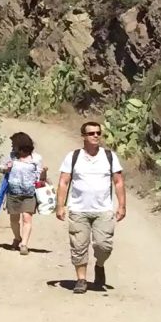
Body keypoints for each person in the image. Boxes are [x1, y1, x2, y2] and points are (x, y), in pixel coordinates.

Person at [55, 120, 126, 294]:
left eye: (98, 133)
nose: (95, 136)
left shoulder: (109, 156)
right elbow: (64, 182)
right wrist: (60, 205)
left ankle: (100, 265)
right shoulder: (73, 157)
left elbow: (118, 182)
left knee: (104, 246)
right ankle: (81, 279)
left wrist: (122, 206)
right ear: (83, 136)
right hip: (79, 209)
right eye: (91, 133)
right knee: (78, 246)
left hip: (103, 210)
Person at [0, 131, 48, 253]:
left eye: (13, 144)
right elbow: (2, 168)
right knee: (14, 220)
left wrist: (44, 173)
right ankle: (17, 237)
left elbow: (40, 177)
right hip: (13, 193)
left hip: (29, 194)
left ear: (20, 145)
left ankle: (24, 244)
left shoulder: (36, 158)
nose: (12, 147)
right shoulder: (11, 156)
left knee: (27, 218)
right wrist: (6, 168)